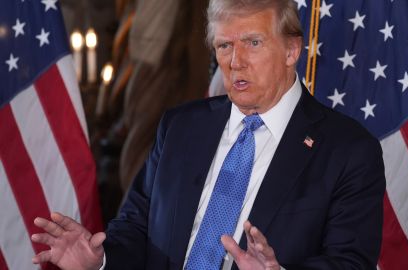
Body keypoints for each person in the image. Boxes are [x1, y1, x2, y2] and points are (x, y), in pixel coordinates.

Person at [31, 0, 386, 269]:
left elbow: (349, 262)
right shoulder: (180, 127)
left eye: (253, 43)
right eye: (224, 46)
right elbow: (136, 228)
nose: (235, 62)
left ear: (292, 49)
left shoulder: (349, 150)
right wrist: (101, 259)